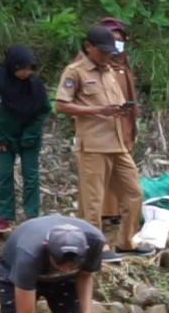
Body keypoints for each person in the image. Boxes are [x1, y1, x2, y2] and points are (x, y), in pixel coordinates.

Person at [55, 26, 148, 256]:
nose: (108, 56)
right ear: (89, 47)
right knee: (93, 200)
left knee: (133, 192)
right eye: (103, 51)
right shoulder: (75, 71)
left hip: (117, 144)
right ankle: (96, 247)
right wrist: (98, 110)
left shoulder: (109, 71)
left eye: (110, 52)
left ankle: (126, 242)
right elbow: (61, 105)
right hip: (93, 146)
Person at [0, 46, 50, 235]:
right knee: (4, 174)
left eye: (30, 69)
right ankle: (4, 218)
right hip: (4, 137)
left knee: (31, 175)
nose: (26, 73)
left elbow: (43, 110)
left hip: (29, 137)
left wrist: (30, 134)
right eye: (23, 68)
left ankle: (31, 218)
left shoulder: (34, 85)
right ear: (13, 65)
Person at [95, 17, 140, 232]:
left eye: (120, 40)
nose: (117, 44)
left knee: (123, 169)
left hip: (124, 122)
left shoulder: (123, 64)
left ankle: (118, 213)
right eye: (113, 40)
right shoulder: (96, 67)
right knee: (103, 169)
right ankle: (103, 213)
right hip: (103, 127)